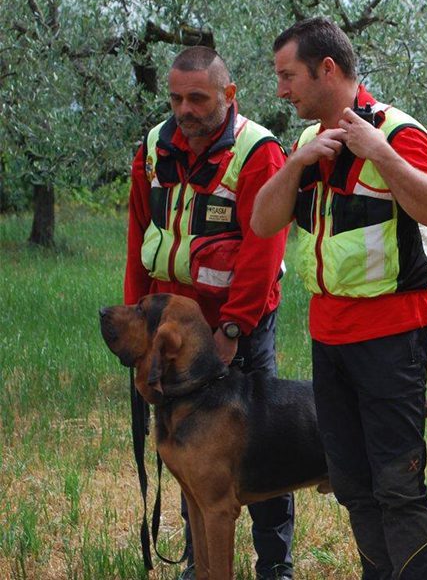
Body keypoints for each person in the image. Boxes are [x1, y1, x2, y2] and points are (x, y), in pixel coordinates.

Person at [251, 17, 427, 580]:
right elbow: (262, 221)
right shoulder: (303, 144)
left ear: (327, 69)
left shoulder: (396, 131)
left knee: (396, 482)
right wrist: (297, 162)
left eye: (287, 75)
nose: (280, 90)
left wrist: (378, 153)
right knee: (351, 482)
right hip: (329, 338)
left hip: (392, 339)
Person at [124, 46, 295, 580]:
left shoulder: (257, 151)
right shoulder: (153, 147)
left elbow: (263, 249)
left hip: (232, 328)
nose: (185, 109)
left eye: (197, 98)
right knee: (188, 448)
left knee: (263, 447)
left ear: (228, 95)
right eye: (176, 98)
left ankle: (275, 568)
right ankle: (202, 565)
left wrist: (232, 329)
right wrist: (137, 332)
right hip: (168, 333)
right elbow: (137, 239)